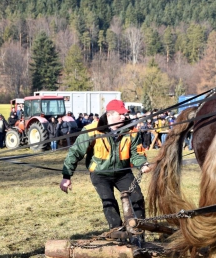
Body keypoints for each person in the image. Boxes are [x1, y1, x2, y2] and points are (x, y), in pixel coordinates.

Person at [59, 100, 151, 242]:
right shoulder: (92, 130)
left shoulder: (132, 131)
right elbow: (75, 152)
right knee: (109, 202)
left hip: (122, 172)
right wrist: (66, 176)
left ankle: (138, 235)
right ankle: (117, 234)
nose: (124, 117)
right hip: (100, 173)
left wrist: (143, 164)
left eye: (125, 114)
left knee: (137, 198)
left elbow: (137, 153)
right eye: (120, 114)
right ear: (109, 114)